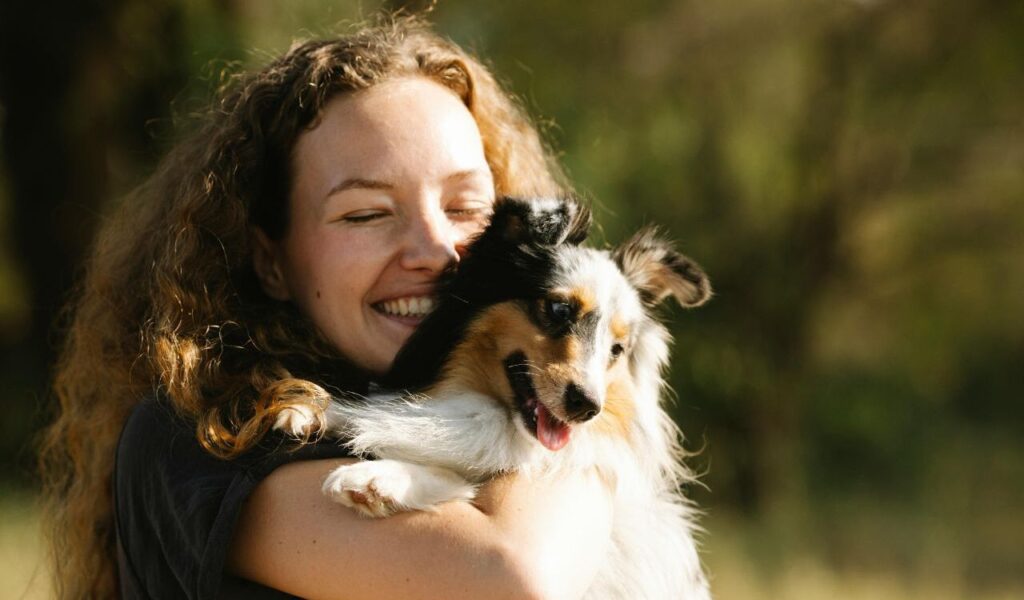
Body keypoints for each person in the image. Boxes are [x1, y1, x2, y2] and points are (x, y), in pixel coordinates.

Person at [39, 15, 614, 600]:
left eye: (466, 207)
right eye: (365, 214)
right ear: (270, 260)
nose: (436, 252)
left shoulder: (497, 396)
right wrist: (599, 416)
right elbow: (511, 577)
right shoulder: (200, 440)